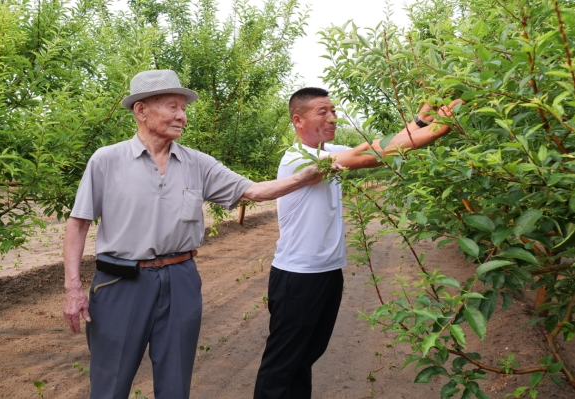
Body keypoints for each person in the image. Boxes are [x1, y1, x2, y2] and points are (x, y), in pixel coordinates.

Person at [62, 70, 330, 399]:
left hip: (181, 280)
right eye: (172, 106)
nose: (182, 116)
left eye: (184, 108)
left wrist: (304, 176)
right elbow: (78, 223)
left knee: (175, 385)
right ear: (141, 111)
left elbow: (255, 191)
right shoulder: (107, 160)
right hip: (120, 283)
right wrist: (72, 287)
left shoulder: (197, 164)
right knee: (109, 384)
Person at [253, 87, 464, 399]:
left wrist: (419, 122)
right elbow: (372, 156)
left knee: (305, 357)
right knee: (282, 365)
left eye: (333, 111)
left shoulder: (328, 151)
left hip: (327, 273)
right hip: (297, 278)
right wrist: (438, 129)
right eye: (322, 111)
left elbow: (380, 144)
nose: (332, 117)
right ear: (298, 120)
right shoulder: (299, 158)